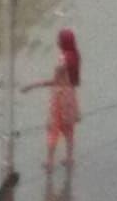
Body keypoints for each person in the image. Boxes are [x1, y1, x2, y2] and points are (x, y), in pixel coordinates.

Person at [22, 28, 82, 172]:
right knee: (69, 128)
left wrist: (32, 86)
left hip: (60, 97)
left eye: (58, 39)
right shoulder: (76, 56)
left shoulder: (63, 60)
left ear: (62, 42)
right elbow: (75, 81)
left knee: (53, 129)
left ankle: (49, 162)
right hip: (70, 96)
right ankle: (69, 158)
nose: (56, 41)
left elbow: (54, 81)